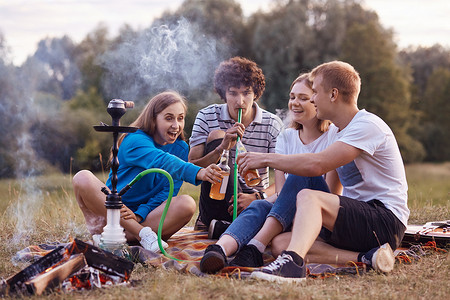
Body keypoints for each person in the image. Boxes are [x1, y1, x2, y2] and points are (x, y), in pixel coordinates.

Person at [236, 61, 409, 283]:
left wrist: (266, 159)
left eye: (315, 92)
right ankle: (367, 258)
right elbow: (309, 165)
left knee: (309, 195)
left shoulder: (367, 126)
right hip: (356, 220)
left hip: (384, 220)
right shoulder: (338, 129)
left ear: (333, 94)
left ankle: (292, 267)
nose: (314, 99)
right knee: (280, 244)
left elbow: (317, 165)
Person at [199, 73, 341, 273]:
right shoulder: (286, 137)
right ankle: (220, 249)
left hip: (318, 215)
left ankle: (254, 246)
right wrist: (259, 199)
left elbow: (334, 196)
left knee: (302, 170)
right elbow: (282, 195)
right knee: (260, 205)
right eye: (292, 97)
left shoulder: (334, 136)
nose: (294, 103)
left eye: (303, 97)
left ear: (317, 99)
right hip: (287, 213)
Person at [73, 91, 223, 252]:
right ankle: (140, 234)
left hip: (144, 218)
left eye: (180, 118)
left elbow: (167, 192)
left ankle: (113, 239)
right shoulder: (135, 140)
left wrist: (139, 214)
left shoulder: (181, 149)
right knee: (82, 177)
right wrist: (199, 172)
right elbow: (160, 160)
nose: (176, 125)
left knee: (186, 203)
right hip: (110, 214)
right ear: (153, 119)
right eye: (168, 118)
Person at [188, 56, 283, 233]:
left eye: (246, 93)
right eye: (233, 93)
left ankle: (226, 228)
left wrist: (256, 197)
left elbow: (283, 177)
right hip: (216, 201)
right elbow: (191, 167)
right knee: (217, 134)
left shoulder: (272, 124)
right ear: (223, 94)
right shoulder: (207, 116)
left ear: (256, 94)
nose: (240, 101)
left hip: (255, 203)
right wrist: (221, 147)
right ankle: (231, 227)